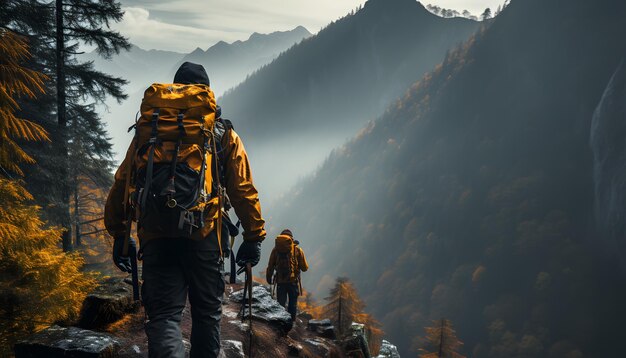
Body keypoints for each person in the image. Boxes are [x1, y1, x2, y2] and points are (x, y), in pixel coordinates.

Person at [104, 62, 266, 358]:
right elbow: (242, 188)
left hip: (156, 232)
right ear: (205, 91)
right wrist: (253, 237)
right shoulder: (221, 133)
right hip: (204, 235)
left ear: (175, 89)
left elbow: (123, 181)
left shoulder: (150, 130)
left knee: (164, 316)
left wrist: (119, 233)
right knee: (206, 315)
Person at [266, 229, 308, 321]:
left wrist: (269, 278)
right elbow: (305, 268)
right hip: (293, 281)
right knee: (292, 304)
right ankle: (291, 324)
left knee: (280, 304)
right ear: (291, 239)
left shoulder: (275, 250)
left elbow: (270, 266)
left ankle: (281, 324)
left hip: (280, 281)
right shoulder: (297, 250)